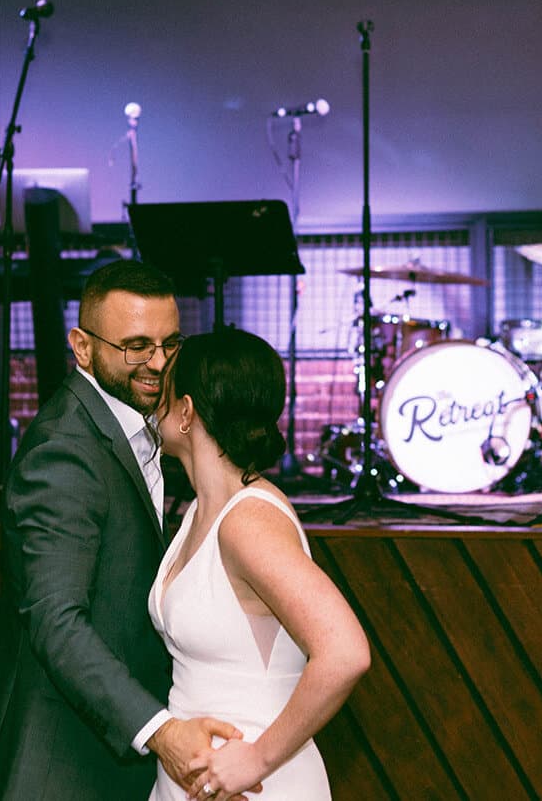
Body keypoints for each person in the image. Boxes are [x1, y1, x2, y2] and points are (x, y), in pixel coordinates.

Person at [0, 259, 246, 799]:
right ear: (83, 348)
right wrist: (160, 730)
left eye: (169, 343)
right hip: (56, 760)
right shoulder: (64, 451)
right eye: (136, 346)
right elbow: (55, 619)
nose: (158, 363)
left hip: (103, 759)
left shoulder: (137, 424)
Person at [149, 329, 371, 801]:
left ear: (186, 411)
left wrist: (256, 759)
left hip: (256, 787)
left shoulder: (247, 521)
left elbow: (346, 651)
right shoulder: (200, 510)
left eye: (164, 389)